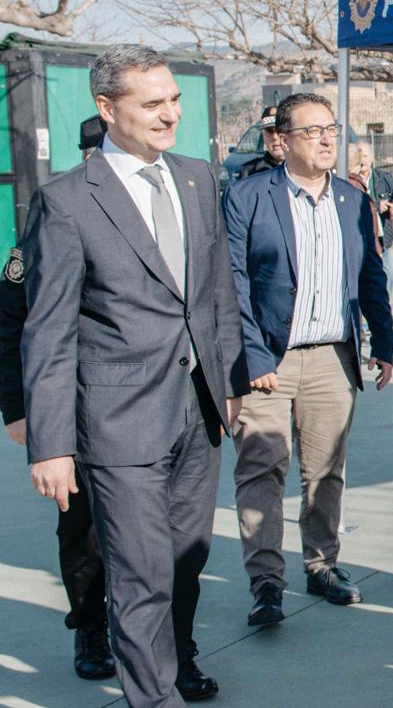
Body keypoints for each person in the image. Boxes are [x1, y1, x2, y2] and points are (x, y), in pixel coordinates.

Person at [22, 44, 246, 707]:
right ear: (106, 107)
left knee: (186, 562)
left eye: (174, 100)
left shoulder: (198, 178)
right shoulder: (66, 202)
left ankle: (174, 665)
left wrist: (228, 383)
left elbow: (216, 296)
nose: (169, 114)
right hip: (118, 423)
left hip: (197, 413)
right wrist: (52, 443)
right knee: (139, 572)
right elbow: (49, 328)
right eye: (152, 104)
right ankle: (153, 697)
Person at [222, 92, 393, 628]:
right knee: (262, 470)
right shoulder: (248, 197)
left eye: (332, 129)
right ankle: (265, 582)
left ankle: (322, 564)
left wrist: (384, 344)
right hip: (267, 362)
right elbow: (231, 285)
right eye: (312, 131)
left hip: (332, 358)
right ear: (281, 141)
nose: (327, 140)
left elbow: (372, 276)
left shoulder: (351, 199)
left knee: (326, 472)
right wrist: (253, 355)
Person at [1, 117, 114, 682]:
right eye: (96, 153)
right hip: (68, 407)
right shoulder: (54, 214)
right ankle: (90, 626)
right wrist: (16, 409)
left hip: (133, 405)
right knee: (83, 530)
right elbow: (12, 324)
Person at [349, 142, 393, 297]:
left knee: (387, 276)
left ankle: (385, 310)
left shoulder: (383, 178)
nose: (362, 160)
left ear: (372, 158)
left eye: (365, 156)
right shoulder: (350, 180)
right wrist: (377, 205)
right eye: (359, 155)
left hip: (383, 238)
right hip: (362, 237)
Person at [237, 106, 285, 179]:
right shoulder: (249, 172)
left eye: (279, 130)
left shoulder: (303, 167)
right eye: (269, 131)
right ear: (263, 135)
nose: (275, 137)